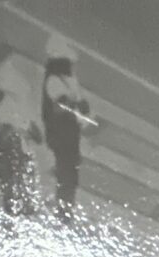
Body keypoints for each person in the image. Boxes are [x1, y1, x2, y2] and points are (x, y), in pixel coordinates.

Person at [40, 38, 97, 207]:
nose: (71, 67)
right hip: (61, 134)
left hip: (69, 133)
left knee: (70, 171)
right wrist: (76, 107)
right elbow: (60, 106)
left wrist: (82, 108)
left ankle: (65, 204)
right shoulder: (54, 80)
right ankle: (64, 207)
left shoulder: (68, 79)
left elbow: (77, 101)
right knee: (67, 173)